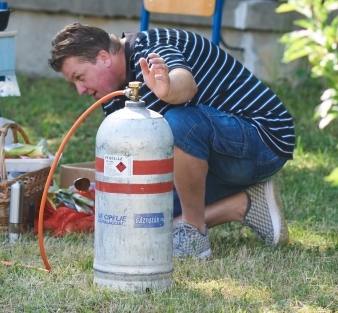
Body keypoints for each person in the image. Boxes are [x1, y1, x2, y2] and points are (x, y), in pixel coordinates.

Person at [49, 23, 294, 259]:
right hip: (215, 157)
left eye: (79, 77)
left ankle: (193, 232)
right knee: (141, 218)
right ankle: (243, 204)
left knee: (178, 122)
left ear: (104, 57)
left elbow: (185, 85)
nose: (80, 90)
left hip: (264, 140)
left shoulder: (154, 47)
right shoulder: (111, 95)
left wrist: (166, 89)